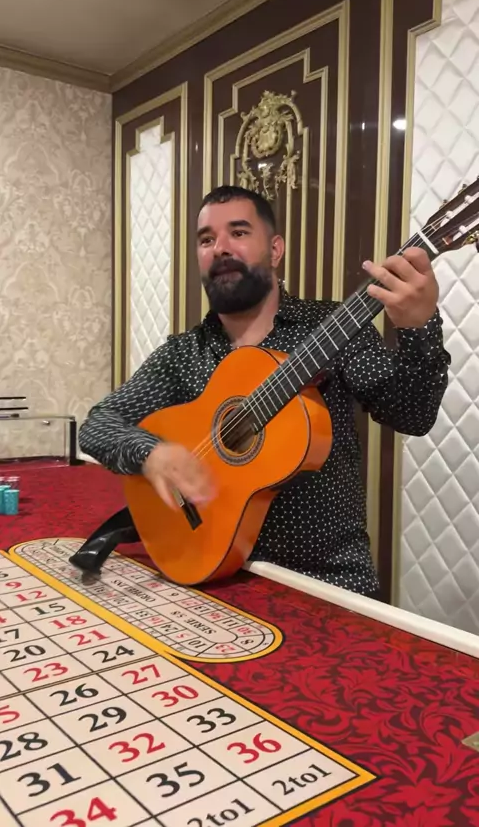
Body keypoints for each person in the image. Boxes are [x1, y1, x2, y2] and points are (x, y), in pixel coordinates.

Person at [79, 185, 451, 599]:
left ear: (275, 250)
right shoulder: (184, 353)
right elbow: (98, 425)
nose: (220, 247)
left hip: (325, 582)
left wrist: (419, 327)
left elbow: (412, 415)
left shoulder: (332, 327)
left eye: (238, 232)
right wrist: (151, 454)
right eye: (206, 239)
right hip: (204, 571)